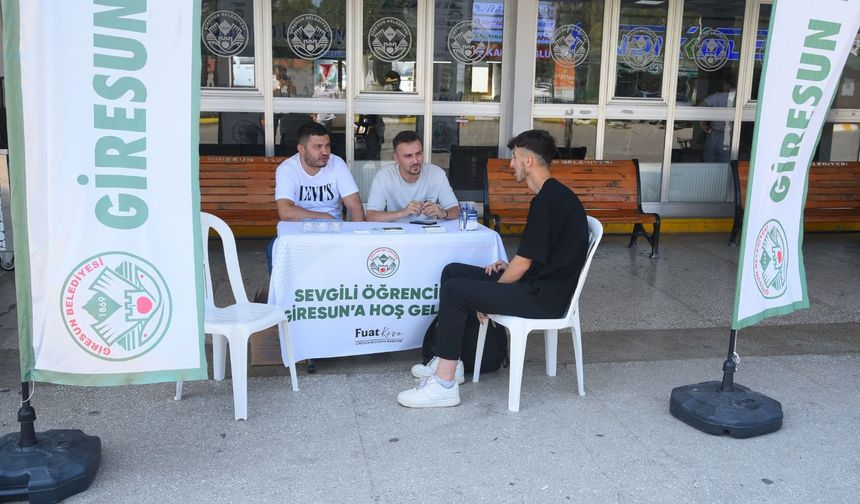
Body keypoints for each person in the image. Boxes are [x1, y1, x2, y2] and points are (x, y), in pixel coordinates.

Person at [396, 129, 589, 408]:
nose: (510, 164)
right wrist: (507, 268)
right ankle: (452, 361)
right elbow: (537, 257)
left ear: (528, 161)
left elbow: (523, 265)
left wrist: (488, 295)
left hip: (545, 298)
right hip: (539, 283)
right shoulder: (553, 195)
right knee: (453, 272)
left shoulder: (548, 201)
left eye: (513, 158)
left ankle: (444, 384)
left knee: (455, 290)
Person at [275, 122, 365, 221]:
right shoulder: (288, 169)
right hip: (299, 231)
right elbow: (285, 212)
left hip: (333, 231)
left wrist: (357, 234)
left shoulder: (336, 163)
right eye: (318, 146)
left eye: (327, 145)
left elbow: (356, 208)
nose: (325, 152)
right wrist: (325, 217)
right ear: (301, 149)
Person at [366, 131, 460, 222]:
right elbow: (371, 216)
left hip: (429, 233)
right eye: (408, 156)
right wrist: (403, 212)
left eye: (418, 153)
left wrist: (442, 213)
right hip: (396, 235)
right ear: (396, 158)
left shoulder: (436, 173)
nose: (415, 161)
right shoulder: (384, 176)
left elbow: (455, 210)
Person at [699, 79, 737, 163]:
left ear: (727, 85)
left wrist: (702, 124)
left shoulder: (717, 96)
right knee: (725, 166)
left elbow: (701, 106)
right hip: (728, 136)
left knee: (709, 164)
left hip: (713, 134)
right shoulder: (737, 99)